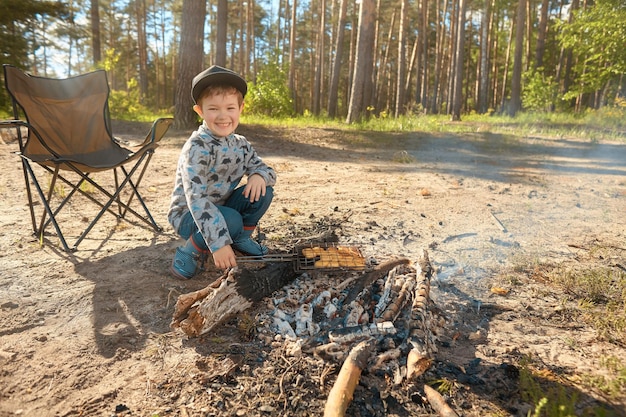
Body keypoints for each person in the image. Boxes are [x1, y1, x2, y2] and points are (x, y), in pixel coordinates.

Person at [167, 65, 276, 279]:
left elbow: (267, 170)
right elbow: (196, 199)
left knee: (264, 192)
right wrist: (218, 244)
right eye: (214, 108)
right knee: (232, 219)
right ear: (200, 111)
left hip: (223, 210)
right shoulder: (197, 147)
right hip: (188, 216)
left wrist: (258, 175)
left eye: (230, 108)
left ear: (240, 108)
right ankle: (189, 251)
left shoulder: (241, 144)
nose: (223, 116)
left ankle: (239, 239)